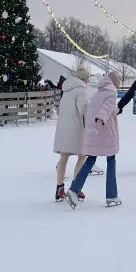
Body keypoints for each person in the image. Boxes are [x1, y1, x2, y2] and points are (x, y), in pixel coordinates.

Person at [66, 71, 123, 209]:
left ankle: (74, 190)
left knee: (90, 160)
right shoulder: (111, 93)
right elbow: (103, 112)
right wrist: (98, 126)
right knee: (111, 161)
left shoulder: (100, 92)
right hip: (105, 133)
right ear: (114, 84)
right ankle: (111, 195)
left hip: (93, 133)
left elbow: (100, 109)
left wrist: (114, 110)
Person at [53, 66, 90, 202]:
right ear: (83, 79)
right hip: (77, 128)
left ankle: (59, 188)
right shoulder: (81, 90)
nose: (88, 81)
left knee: (64, 156)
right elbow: (84, 109)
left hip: (63, 127)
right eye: (87, 78)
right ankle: (76, 187)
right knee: (82, 156)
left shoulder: (66, 90)